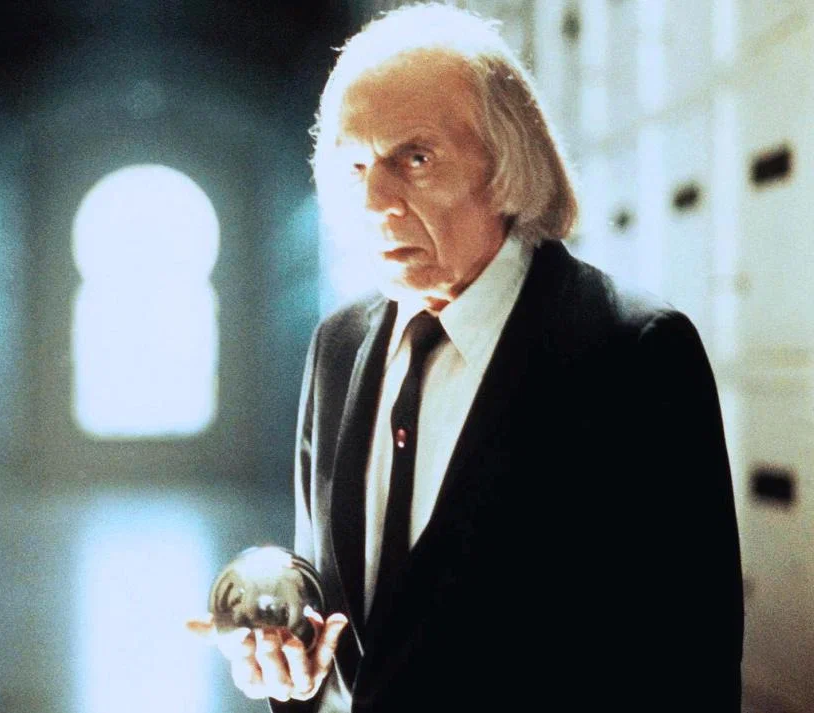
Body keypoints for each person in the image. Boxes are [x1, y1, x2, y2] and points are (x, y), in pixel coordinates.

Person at [190, 4, 744, 711]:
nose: (376, 201)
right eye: (355, 164)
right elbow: (353, 631)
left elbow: (690, 665)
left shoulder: (633, 352)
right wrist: (292, 663)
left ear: (509, 165)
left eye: (414, 159)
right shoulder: (339, 345)